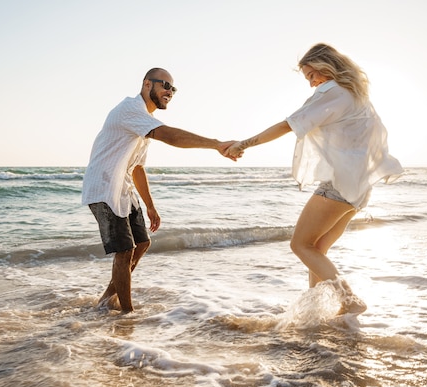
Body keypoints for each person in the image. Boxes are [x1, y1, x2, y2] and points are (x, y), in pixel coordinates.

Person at [224, 44, 403, 315]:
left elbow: (289, 124)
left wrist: (244, 144)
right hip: (358, 188)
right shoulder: (357, 96)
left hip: (339, 186)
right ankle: (315, 310)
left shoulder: (332, 92)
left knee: (300, 245)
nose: (311, 83)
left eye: (311, 76)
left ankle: (349, 300)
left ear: (325, 67)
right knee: (317, 248)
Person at [82, 67, 239, 313]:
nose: (170, 91)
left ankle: (106, 300)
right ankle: (126, 314)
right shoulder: (130, 109)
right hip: (102, 186)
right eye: (165, 85)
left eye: (173, 88)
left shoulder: (143, 120)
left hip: (122, 187)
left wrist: (150, 205)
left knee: (142, 243)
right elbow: (169, 136)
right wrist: (216, 144)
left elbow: (137, 168)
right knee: (125, 250)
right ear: (147, 84)